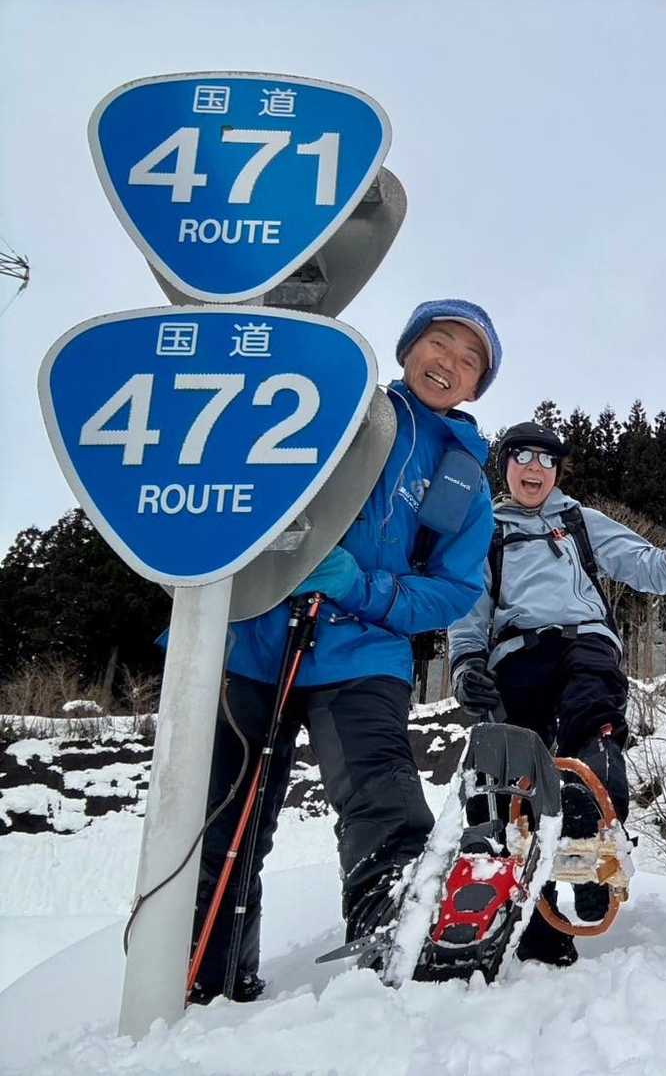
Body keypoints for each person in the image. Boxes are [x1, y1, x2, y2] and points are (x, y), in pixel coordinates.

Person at [188, 299, 500, 1003]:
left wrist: (363, 586)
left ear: (477, 387)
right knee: (224, 816)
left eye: (469, 361)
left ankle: (397, 928)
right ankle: (207, 978)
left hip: (364, 652)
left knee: (380, 794)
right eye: (439, 343)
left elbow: (454, 590)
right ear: (407, 347)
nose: (448, 364)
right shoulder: (336, 407)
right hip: (254, 637)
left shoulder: (463, 478)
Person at [447, 421, 666, 967]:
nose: (534, 469)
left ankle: (594, 834)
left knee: (594, 718)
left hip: (585, 640)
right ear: (506, 466)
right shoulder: (486, 531)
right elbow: (468, 606)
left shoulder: (578, 521)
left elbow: (649, 568)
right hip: (516, 651)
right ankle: (536, 920)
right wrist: (466, 662)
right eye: (523, 457)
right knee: (518, 765)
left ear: (557, 472)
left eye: (546, 460)